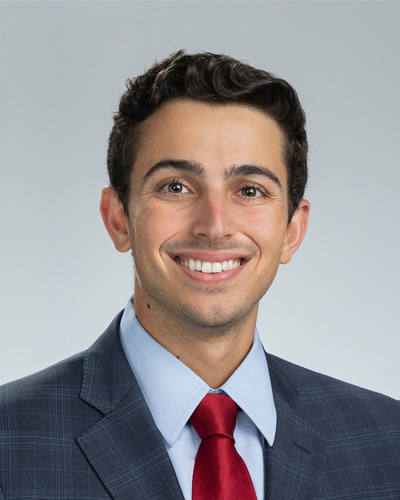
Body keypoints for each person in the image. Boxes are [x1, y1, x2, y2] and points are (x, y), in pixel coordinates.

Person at [0, 51, 399, 500]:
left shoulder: (388, 442)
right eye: (176, 186)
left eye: (250, 190)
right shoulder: (9, 440)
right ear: (117, 218)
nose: (215, 224)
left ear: (292, 230)